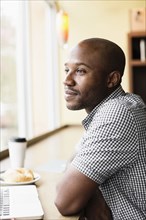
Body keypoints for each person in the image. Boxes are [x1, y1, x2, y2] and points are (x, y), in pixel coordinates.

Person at [54, 38, 146, 220]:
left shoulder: (117, 113)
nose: (66, 80)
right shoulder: (117, 107)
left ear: (112, 79)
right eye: (67, 70)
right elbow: (76, 160)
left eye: (80, 71)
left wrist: (89, 189)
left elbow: (64, 201)